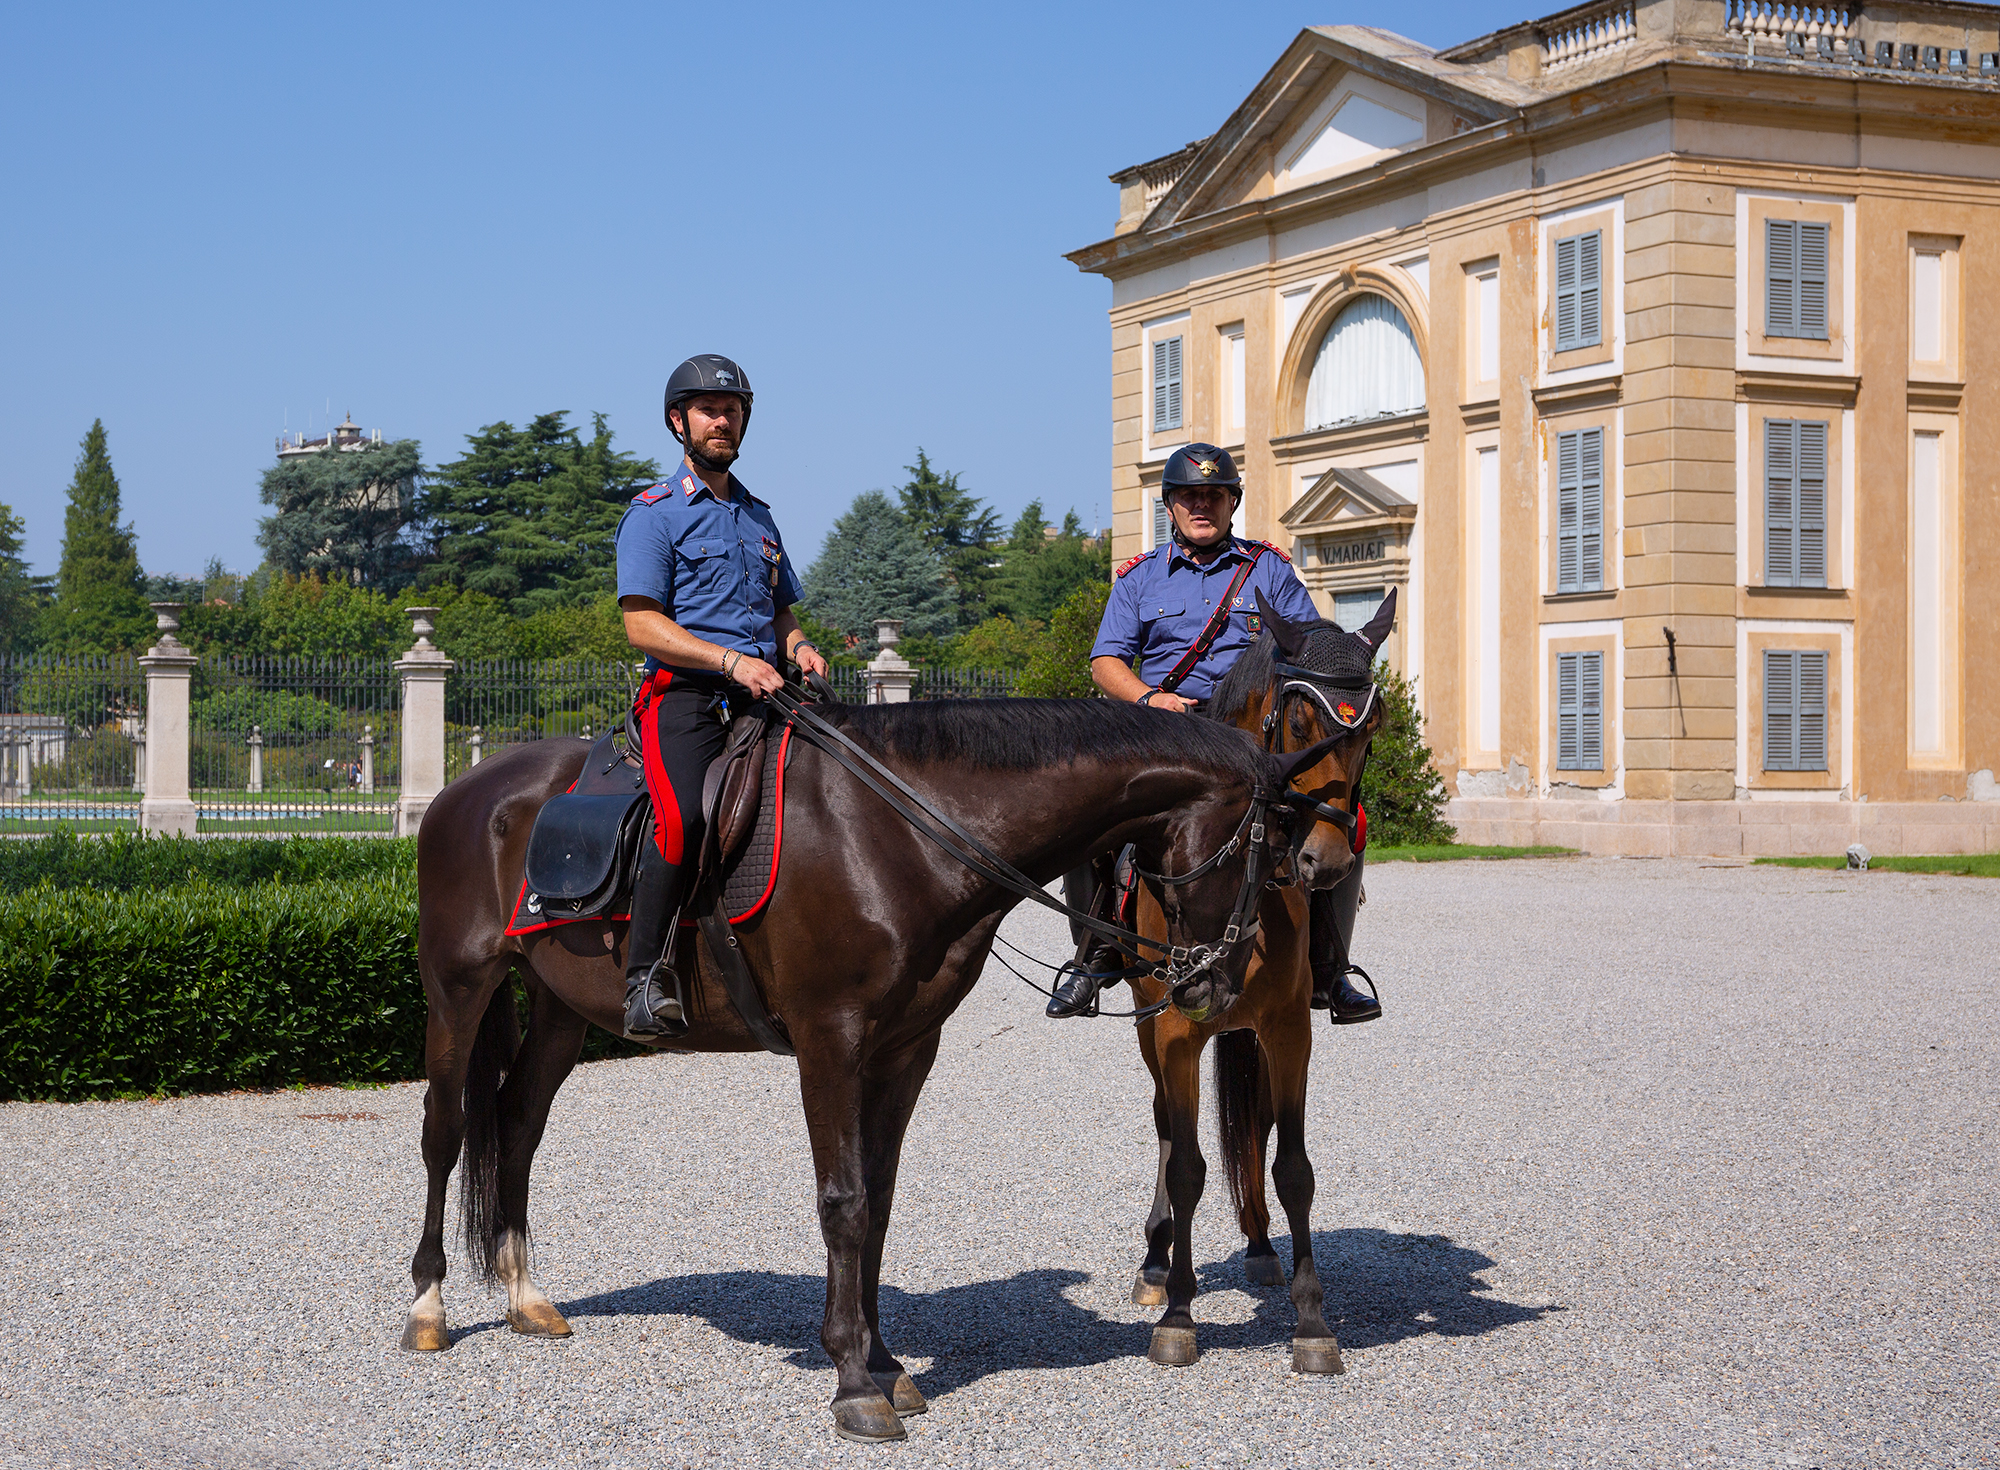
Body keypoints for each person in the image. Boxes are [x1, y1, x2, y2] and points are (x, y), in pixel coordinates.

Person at [1043, 442, 1382, 1026]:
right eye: (1190, 496)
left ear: (1232, 504)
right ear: (1171, 506)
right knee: (1089, 814)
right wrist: (1152, 699)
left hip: (1250, 743)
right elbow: (1105, 664)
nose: (1202, 506)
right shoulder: (1139, 579)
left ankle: (1331, 967)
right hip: (1165, 738)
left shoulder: (1268, 569)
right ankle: (1094, 954)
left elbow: (1306, 646)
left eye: (1214, 496)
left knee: (1338, 820)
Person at [613, 354, 830, 1038]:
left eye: (732, 410)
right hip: (687, 699)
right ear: (679, 421)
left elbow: (782, 611)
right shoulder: (653, 515)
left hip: (766, 694)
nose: (722, 420)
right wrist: (730, 660)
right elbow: (641, 623)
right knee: (683, 819)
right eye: (708, 409)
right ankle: (645, 978)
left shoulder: (759, 517)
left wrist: (798, 647)